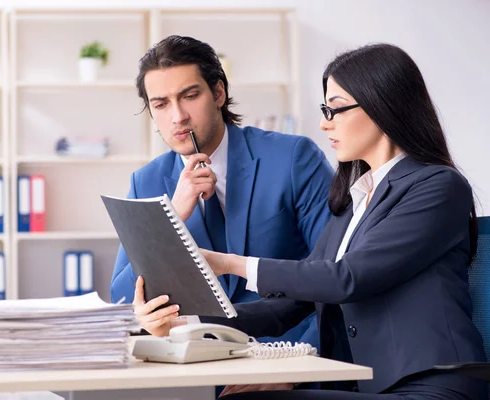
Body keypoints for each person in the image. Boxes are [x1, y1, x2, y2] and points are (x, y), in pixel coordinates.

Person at [135, 43, 488, 400]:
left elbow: (347, 279)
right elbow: (293, 305)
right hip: (367, 384)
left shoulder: (437, 187)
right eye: (324, 110)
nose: (324, 123)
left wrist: (229, 264)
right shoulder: (357, 199)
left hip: (429, 386)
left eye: (335, 110)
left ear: (382, 106)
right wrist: (185, 323)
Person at [110, 35, 334, 347]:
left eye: (189, 96)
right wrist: (171, 215)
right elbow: (121, 297)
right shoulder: (145, 181)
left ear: (218, 92)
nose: (177, 117)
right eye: (160, 104)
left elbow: (333, 275)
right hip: (204, 366)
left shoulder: (294, 158)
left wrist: (295, 363)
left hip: (292, 354)